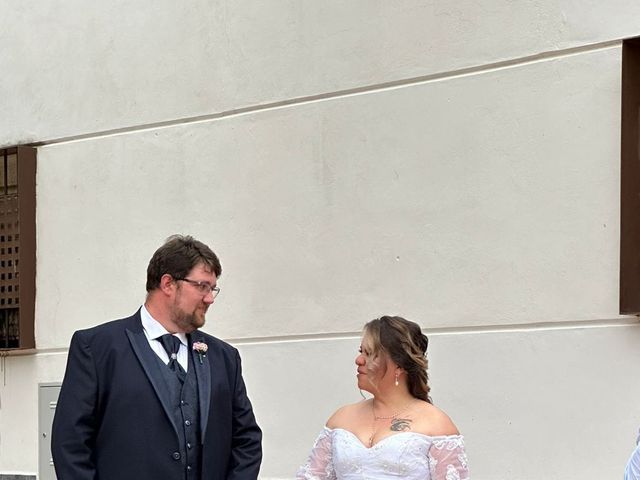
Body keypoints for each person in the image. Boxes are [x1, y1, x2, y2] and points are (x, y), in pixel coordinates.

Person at [51, 235, 262, 480]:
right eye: (202, 286)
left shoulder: (224, 358)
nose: (210, 298)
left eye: (212, 288)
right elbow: (70, 444)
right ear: (168, 284)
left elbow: (247, 440)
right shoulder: (97, 348)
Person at [297, 315, 469, 480]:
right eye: (360, 352)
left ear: (399, 365)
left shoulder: (436, 424)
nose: (359, 360)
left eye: (369, 353)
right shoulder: (341, 418)